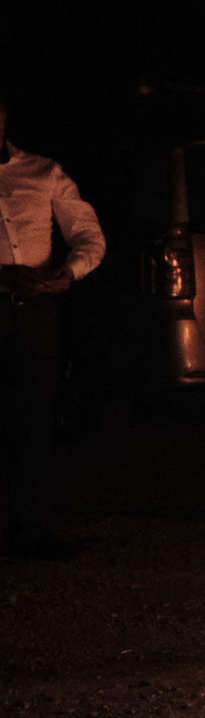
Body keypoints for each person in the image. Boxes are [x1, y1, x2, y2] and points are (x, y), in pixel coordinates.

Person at [0, 91, 106, 560]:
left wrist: (70, 271)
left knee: (33, 419)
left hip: (35, 314)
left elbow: (87, 231)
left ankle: (28, 529)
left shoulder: (42, 171)